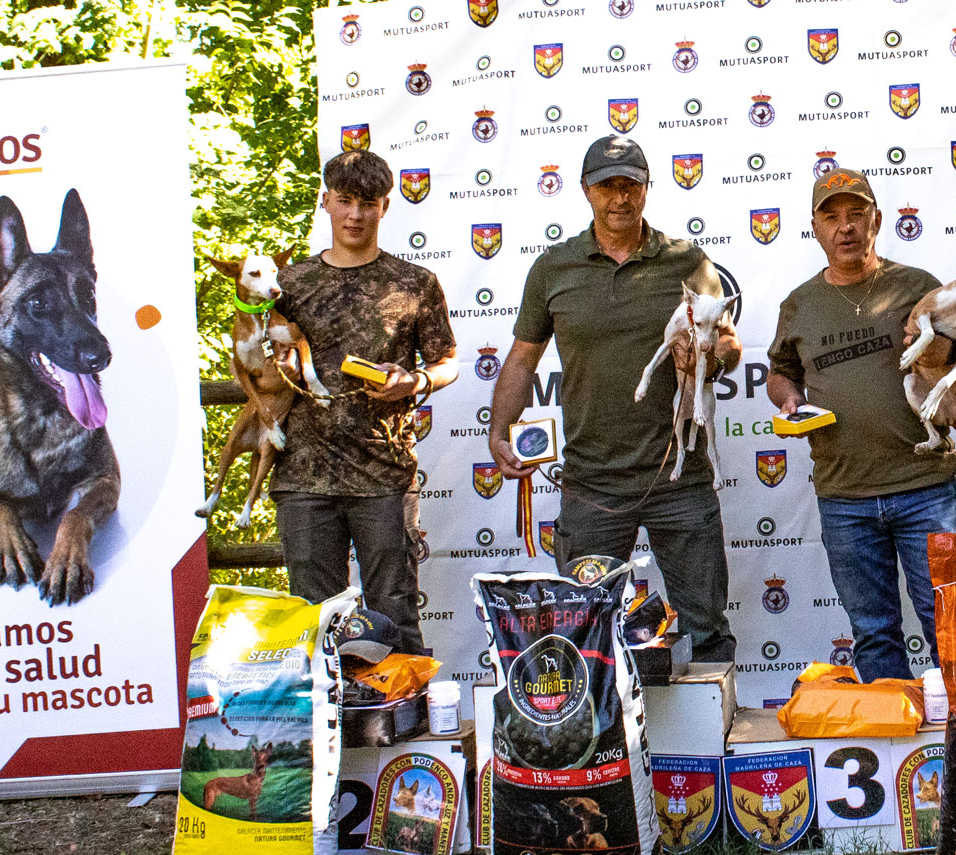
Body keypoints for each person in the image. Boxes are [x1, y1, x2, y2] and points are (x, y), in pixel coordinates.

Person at [488, 135, 741, 662]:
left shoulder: (688, 262)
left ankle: (712, 741)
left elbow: (728, 343)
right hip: (592, 482)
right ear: (586, 191)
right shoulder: (553, 269)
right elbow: (521, 359)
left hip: (679, 477)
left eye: (631, 185)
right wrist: (498, 429)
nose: (619, 198)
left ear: (648, 189)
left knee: (705, 629)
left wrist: (714, 357)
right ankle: (601, 743)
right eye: (608, 187)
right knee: (582, 632)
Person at [766, 169, 956, 681]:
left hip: (925, 489)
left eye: (856, 214)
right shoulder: (799, 304)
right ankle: (893, 749)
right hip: (845, 498)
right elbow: (780, 373)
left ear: (877, 221)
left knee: (948, 622)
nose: (845, 228)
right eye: (832, 216)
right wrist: (790, 399)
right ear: (816, 228)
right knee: (873, 630)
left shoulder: (916, 286)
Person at [270, 150, 458, 655]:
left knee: (395, 611)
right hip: (302, 475)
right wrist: (277, 368)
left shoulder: (415, 283)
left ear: (385, 208)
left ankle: (411, 727)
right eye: (346, 201)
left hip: (384, 473)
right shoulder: (288, 284)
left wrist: (413, 382)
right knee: (315, 620)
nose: (355, 214)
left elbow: (449, 362)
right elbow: (253, 361)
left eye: (368, 203)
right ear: (325, 201)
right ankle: (328, 731)